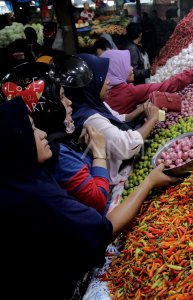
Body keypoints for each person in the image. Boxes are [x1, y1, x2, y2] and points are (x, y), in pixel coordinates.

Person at [0, 97, 178, 299]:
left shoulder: (18, 183)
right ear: (15, 141)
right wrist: (149, 182)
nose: (43, 134)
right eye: (32, 129)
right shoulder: (38, 195)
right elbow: (102, 226)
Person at [0, 59, 110, 212]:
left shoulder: (58, 140)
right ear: (48, 106)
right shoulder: (57, 153)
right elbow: (98, 200)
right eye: (62, 97)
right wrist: (100, 153)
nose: (69, 102)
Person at [64, 53, 160, 185]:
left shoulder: (94, 103)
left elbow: (117, 117)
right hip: (109, 182)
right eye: (102, 77)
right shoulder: (90, 119)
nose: (108, 81)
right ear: (90, 83)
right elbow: (126, 146)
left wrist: (142, 109)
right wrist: (152, 119)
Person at [100, 49, 193, 114]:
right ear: (116, 69)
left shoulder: (104, 91)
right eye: (126, 65)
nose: (132, 68)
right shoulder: (128, 92)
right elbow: (169, 85)